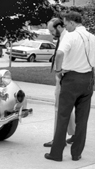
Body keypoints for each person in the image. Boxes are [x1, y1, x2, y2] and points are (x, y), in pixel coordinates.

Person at [45, 11, 95, 162]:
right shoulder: (93, 37)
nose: (65, 27)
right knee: (83, 119)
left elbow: (59, 54)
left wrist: (58, 71)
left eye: (66, 24)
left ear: (73, 23)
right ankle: (76, 154)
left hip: (71, 79)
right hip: (88, 79)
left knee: (63, 116)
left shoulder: (70, 36)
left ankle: (56, 154)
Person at [43, 18, 75, 147]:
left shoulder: (66, 38)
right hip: (70, 76)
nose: (51, 34)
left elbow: (60, 55)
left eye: (52, 31)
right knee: (66, 107)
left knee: (59, 108)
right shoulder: (65, 36)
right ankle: (75, 133)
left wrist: (58, 71)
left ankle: (58, 139)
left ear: (60, 27)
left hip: (64, 75)